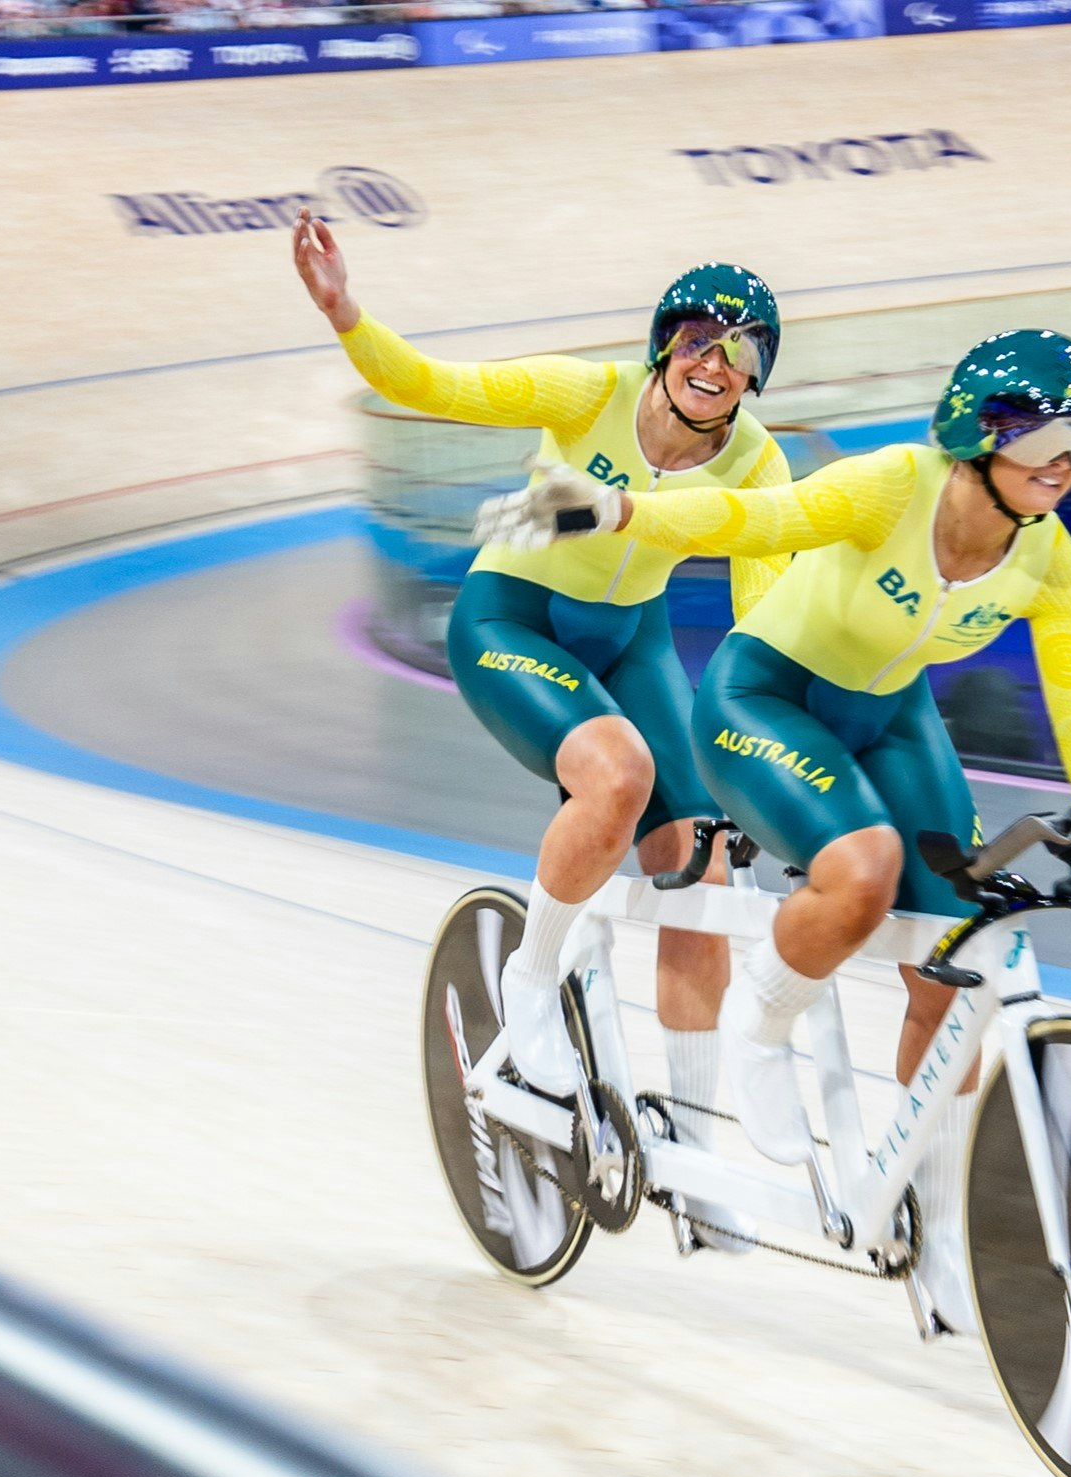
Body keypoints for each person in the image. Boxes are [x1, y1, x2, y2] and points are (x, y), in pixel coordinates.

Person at [475, 328, 1071, 1332]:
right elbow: (756, 515)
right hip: (767, 699)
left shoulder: (1051, 563)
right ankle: (763, 1021)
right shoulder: (894, 487)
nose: (1064, 472)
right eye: (1049, 443)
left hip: (888, 721)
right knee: (863, 868)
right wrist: (617, 507)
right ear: (978, 432)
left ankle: (932, 1223)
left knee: (959, 957)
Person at [292, 210, 790, 1212]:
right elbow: (433, 387)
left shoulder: (757, 464)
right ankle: (529, 982)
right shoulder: (589, 392)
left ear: (752, 380)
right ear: (665, 346)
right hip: (512, 621)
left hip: (630, 637)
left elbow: (764, 614)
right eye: (700, 340)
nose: (715, 363)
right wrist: (347, 313)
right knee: (619, 773)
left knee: (702, 863)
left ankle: (687, 1156)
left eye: (739, 353)